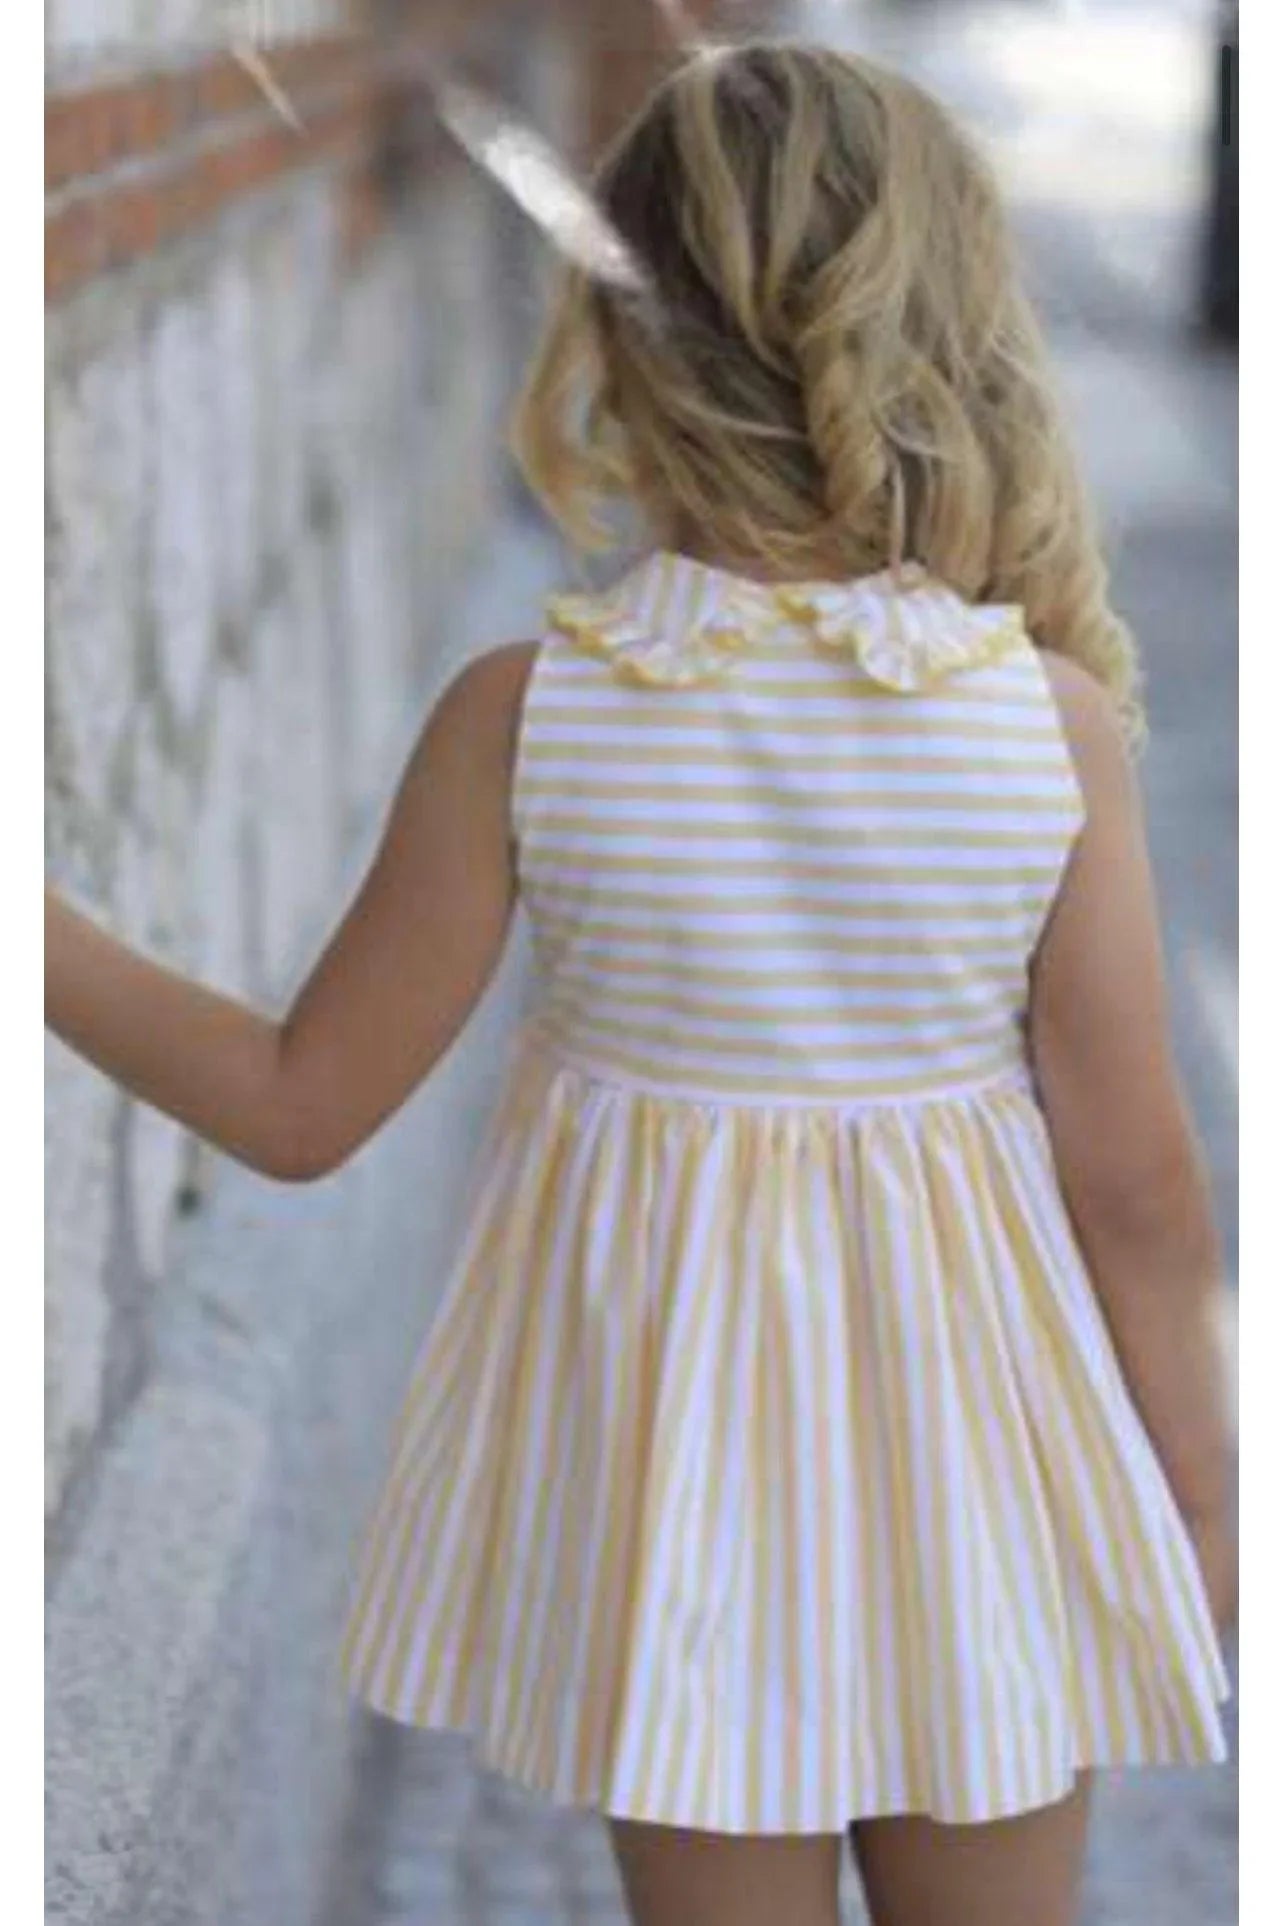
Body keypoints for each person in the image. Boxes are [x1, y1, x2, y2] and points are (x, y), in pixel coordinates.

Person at [45, 42, 1235, 1926]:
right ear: (956, 333)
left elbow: (294, 1101)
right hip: (986, 1471)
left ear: (622, 342)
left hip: (687, 1505)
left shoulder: (533, 718)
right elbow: (1138, 1179)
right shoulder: (1041, 727)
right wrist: (1201, 1490)